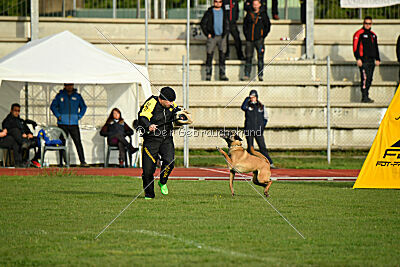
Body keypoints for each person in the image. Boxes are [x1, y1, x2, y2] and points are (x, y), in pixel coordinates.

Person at [138, 87, 179, 199]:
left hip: (166, 138)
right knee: (147, 171)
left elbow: (178, 112)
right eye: (169, 101)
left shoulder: (172, 105)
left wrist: (182, 116)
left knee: (169, 162)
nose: (172, 104)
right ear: (162, 99)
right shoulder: (151, 102)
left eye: (172, 101)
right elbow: (143, 116)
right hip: (151, 140)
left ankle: (162, 181)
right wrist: (149, 125)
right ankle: (149, 195)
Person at [50, 83, 89, 167]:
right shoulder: (60, 95)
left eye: (71, 85)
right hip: (62, 124)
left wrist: (79, 116)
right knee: (62, 143)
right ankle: (63, 162)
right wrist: (58, 116)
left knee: (78, 142)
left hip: (74, 124)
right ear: (64, 86)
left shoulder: (77, 96)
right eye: (67, 85)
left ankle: (82, 161)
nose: (69, 87)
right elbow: (53, 106)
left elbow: (84, 107)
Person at [241, 90, 276, 168]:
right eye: (251, 97)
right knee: (250, 147)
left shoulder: (261, 106)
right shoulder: (248, 105)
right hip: (249, 129)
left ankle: (269, 162)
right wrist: (247, 99)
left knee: (262, 147)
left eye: (253, 97)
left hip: (258, 130)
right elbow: (243, 107)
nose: (252, 99)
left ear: (256, 97)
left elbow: (265, 118)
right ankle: (248, 164)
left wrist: (261, 127)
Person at [2, 103, 40, 167]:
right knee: (15, 131)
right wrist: (22, 134)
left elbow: (26, 128)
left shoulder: (21, 121)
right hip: (15, 138)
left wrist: (29, 133)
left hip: (25, 138)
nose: (17, 112)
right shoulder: (7, 120)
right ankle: (24, 143)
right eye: (15, 111)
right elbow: (6, 129)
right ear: (11, 110)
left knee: (40, 141)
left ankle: (35, 159)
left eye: (18, 111)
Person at [353, 16, 380, 103]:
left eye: (369, 23)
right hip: (363, 60)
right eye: (366, 23)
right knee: (364, 78)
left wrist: (377, 58)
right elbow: (355, 47)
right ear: (363, 23)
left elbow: (376, 47)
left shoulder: (373, 35)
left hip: (371, 60)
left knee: (370, 79)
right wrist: (358, 58)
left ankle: (366, 95)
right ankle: (364, 97)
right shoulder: (359, 34)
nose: (367, 25)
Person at [200, 0, 230, 81]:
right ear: (214, 2)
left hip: (222, 36)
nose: (218, 3)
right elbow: (203, 23)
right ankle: (208, 74)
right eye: (216, 1)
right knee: (209, 55)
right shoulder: (209, 12)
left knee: (222, 56)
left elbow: (228, 23)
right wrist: (207, 34)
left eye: (220, 2)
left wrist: (225, 33)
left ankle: (222, 74)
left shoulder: (224, 11)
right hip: (212, 36)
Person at [242, 0, 271, 81]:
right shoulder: (248, 14)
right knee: (248, 57)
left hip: (259, 40)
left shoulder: (263, 14)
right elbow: (245, 26)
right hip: (249, 40)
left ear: (260, 5)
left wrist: (262, 36)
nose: (255, 6)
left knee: (260, 58)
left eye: (257, 4)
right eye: (254, 4)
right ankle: (247, 74)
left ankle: (260, 74)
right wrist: (247, 35)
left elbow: (267, 26)